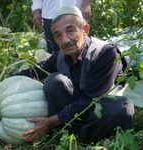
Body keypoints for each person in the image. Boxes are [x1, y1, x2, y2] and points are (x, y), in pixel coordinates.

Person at [14, 6, 134, 143]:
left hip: (97, 109)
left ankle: (76, 136)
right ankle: (68, 132)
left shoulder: (105, 53)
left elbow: (91, 100)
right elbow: (37, 71)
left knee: (122, 108)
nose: (64, 40)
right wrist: (9, 79)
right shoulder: (60, 55)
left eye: (70, 31)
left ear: (85, 30)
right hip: (73, 110)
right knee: (54, 81)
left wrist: (50, 121)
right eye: (58, 35)